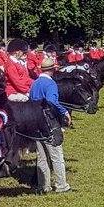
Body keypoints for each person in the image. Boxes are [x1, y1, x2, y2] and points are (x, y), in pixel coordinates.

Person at [29, 58, 74, 194]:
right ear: (52, 69)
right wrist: (64, 111)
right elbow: (51, 101)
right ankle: (61, 185)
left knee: (41, 156)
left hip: (35, 121)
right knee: (56, 155)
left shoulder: (35, 83)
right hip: (49, 122)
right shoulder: (50, 84)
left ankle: (44, 185)